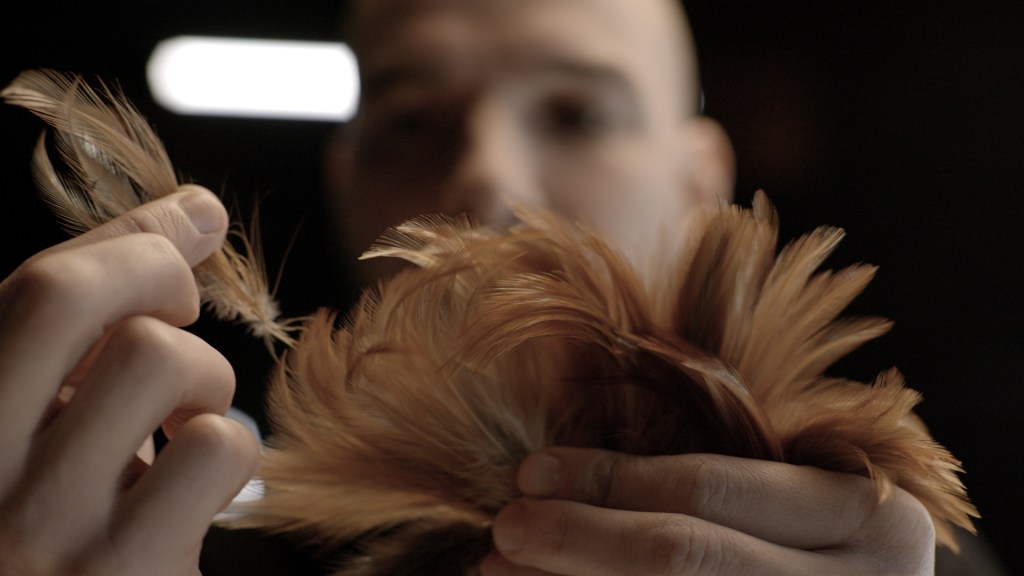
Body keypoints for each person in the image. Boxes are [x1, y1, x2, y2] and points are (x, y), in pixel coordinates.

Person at [0, 0, 1002, 574]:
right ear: (346, 187)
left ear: (700, 182)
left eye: (575, 115)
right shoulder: (177, 543)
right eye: (411, 124)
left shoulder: (880, 542)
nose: (484, 176)